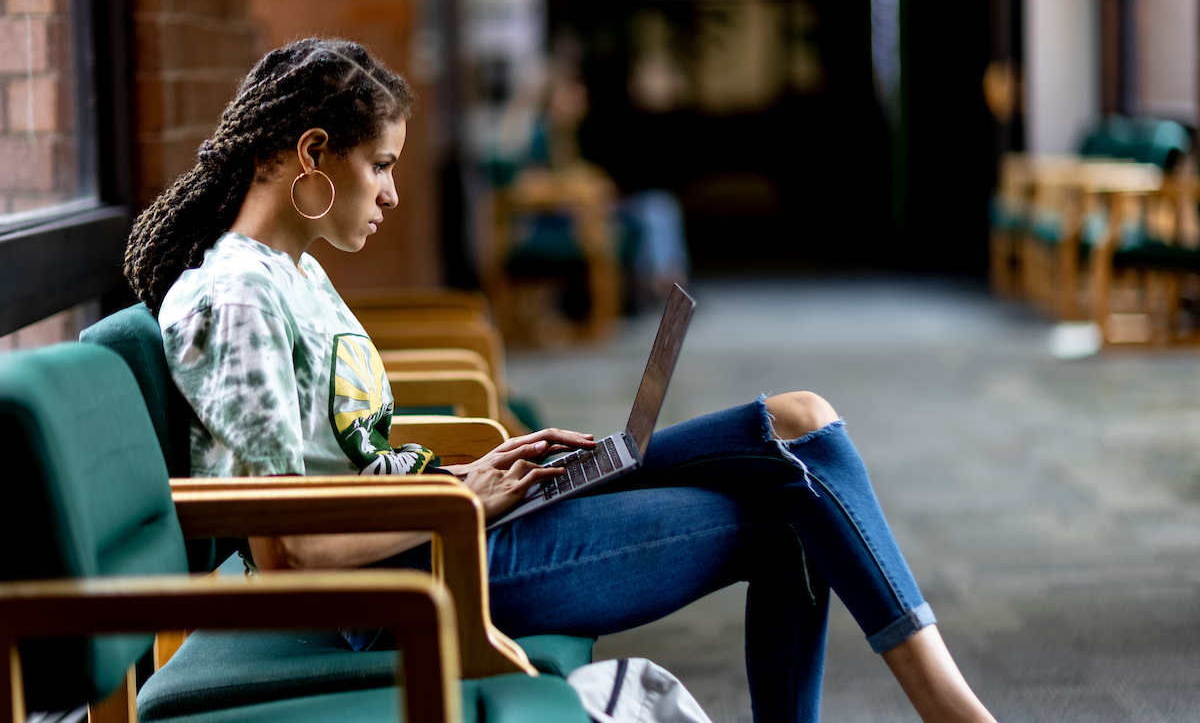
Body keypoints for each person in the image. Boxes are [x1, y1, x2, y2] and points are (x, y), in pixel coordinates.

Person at [125, 39, 996, 723]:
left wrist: (471, 478)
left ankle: (945, 703)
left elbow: (339, 480)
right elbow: (294, 552)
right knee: (795, 515)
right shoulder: (236, 298)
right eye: (382, 164)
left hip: (439, 525)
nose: (392, 192)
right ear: (314, 151)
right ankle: (951, 708)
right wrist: (467, 503)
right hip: (417, 577)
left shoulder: (292, 272)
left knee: (798, 420)